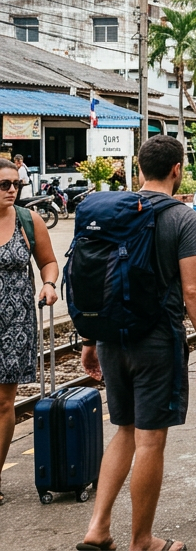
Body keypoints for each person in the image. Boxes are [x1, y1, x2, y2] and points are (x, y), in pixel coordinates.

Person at [79, 136, 196, 551]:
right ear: (177, 170)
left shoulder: (112, 211)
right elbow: (194, 291)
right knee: (150, 440)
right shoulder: (182, 217)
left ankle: (98, 530)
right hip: (156, 339)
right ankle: (142, 541)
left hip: (110, 337)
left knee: (123, 431)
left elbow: (89, 277)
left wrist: (89, 339)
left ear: (139, 168)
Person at [0, 158, 59, 507]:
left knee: (4, 402)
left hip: (14, 325)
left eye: (15, 185)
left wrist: (49, 284)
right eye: (3, 185)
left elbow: (48, 262)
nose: (11, 190)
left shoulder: (28, 219)